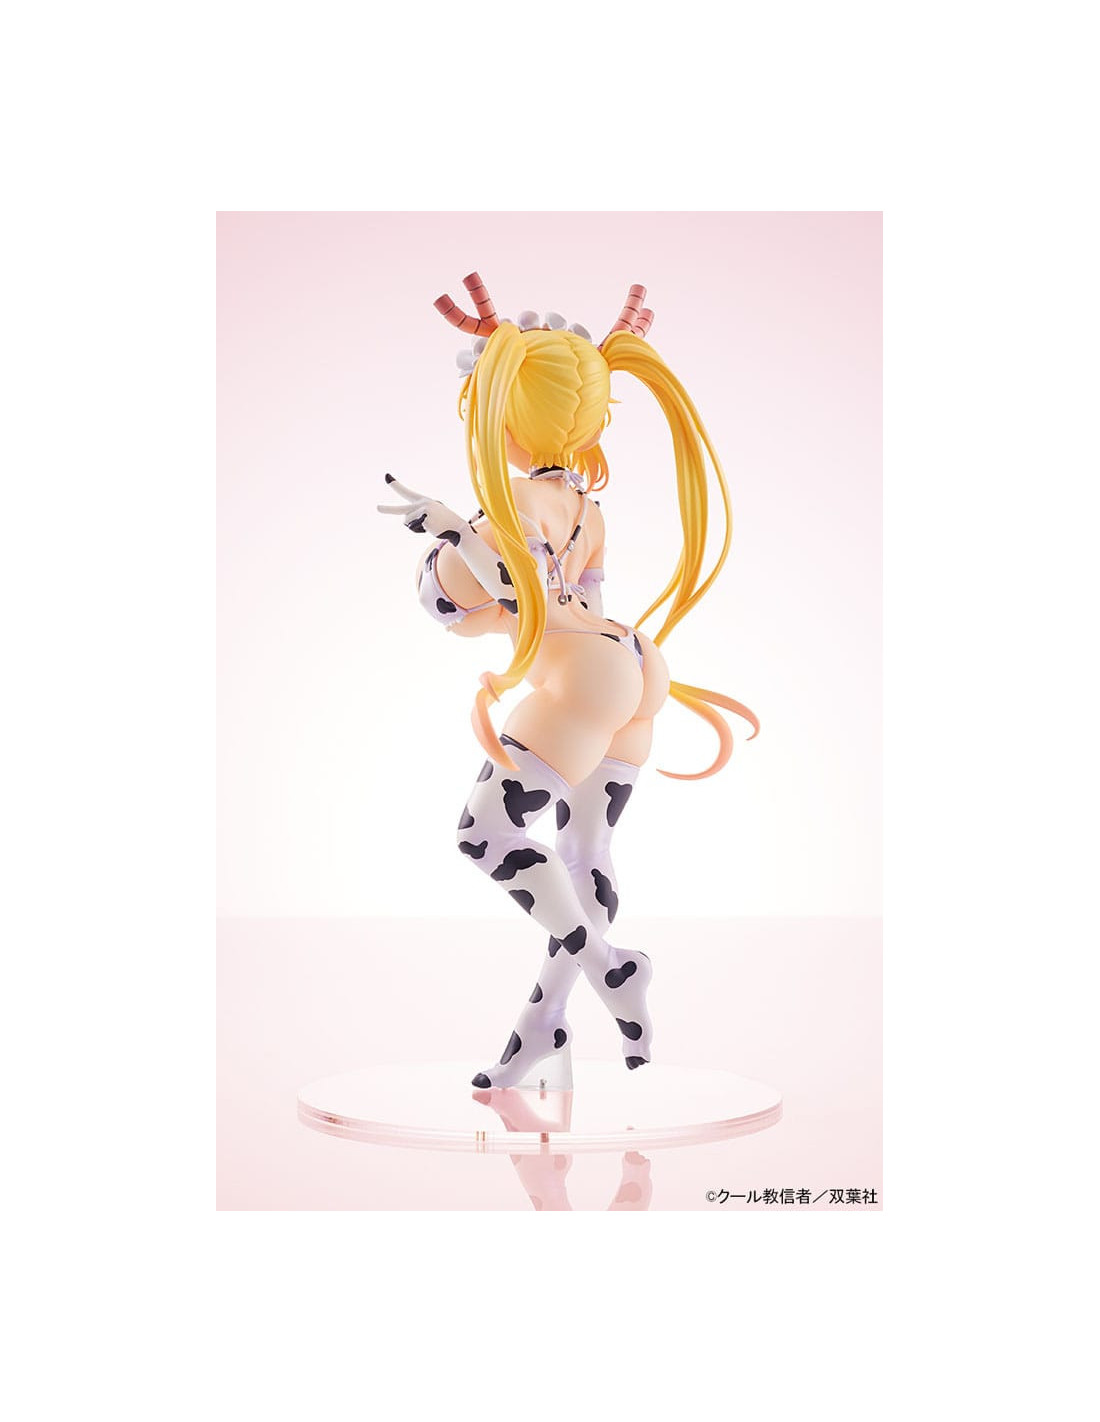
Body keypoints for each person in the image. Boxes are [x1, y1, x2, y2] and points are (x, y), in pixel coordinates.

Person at [378, 273, 757, 1088]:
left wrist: (450, 528)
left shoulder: (516, 500)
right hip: (634, 667)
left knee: (484, 835)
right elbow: (578, 604)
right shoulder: (586, 507)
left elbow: (523, 597)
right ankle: (542, 1024)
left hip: (586, 676)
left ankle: (609, 967)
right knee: (584, 848)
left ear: (505, 416)